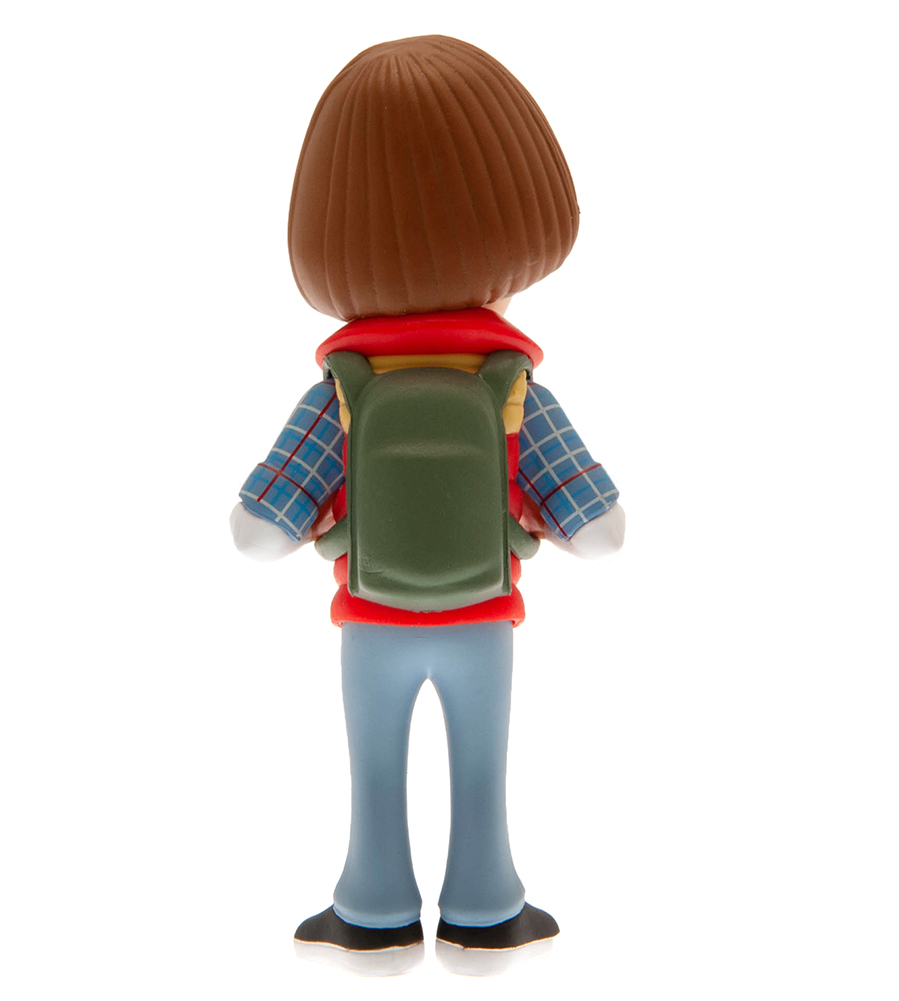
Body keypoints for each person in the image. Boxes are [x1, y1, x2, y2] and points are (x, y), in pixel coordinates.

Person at [231, 35, 625, 963]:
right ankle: (487, 904)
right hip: (483, 613)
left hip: (371, 616)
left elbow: (256, 534)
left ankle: (370, 905)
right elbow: (602, 531)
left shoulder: (343, 388)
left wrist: (319, 515)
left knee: (373, 767)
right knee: (482, 766)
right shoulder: (509, 384)